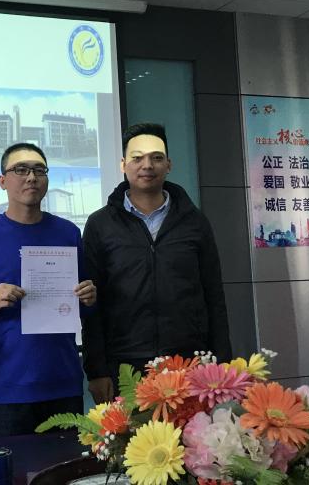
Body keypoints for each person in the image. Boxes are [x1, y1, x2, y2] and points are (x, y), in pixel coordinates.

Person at [0, 143, 97, 439]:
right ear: (2, 181)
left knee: (69, 466)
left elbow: (82, 302)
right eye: (20, 170)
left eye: (39, 170)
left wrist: (89, 297)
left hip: (64, 382)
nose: (31, 177)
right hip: (7, 388)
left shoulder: (68, 232)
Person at [82, 123, 231, 404]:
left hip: (188, 362)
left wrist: (221, 362)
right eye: (137, 158)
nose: (147, 165)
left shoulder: (194, 222)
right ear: (123, 165)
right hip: (125, 365)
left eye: (156, 157)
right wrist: (96, 370)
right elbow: (91, 305)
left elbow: (214, 295)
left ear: (169, 164)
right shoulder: (100, 224)